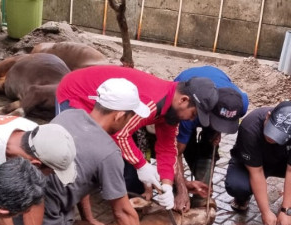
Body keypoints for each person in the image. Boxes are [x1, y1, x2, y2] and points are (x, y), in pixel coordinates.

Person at [15, 78, 172, 225]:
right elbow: (122, 212)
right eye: (130, 116)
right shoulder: (108, 152)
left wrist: (89, 217)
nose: (130, 122)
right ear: (119, 115)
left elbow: (81, 172)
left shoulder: (69, 115)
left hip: (16, 207)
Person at [56, 65, 219, 207]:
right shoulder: (152, 101)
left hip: (112, 111)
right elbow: (120, 134)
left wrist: (167, 185)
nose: (192, 119)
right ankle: (61, 200)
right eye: (194, 114)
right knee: (80, 154)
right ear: (183, 100)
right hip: (77, 94)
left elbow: (168, 147)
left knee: (116, 164)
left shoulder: (172, 109)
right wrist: (141, 165)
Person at [173, 66, 248, 211]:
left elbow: (225, 118)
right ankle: (179, 187)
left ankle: (203, 183)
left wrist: (217, 130)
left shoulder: (241, 104)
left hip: (217, 89)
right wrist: (182, 190)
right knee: (186, 144)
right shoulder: (187, 110)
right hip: (189, 91)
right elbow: (175, 153)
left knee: (209, 144)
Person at [225, 101, 291, 225]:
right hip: (252, 163)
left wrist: (286, 210)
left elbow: (290, 171)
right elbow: (257, 172)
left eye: (279, 136)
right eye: (270, 130)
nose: (271, 138)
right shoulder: (250, 126)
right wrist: (265, 211)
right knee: (237, 186)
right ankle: (242, 197)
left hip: (281, 162)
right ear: (268, 116)